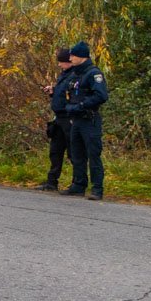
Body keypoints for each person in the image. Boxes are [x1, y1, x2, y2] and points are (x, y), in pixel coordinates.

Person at [61, 41, 109, 200]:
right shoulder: (75, 74)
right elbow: (70, 93)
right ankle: (78, 185)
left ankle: (97, 189)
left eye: (73, 55)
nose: (70, 57)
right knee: (76, 154)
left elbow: (101, 96)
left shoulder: (93, 73)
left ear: (81, 56)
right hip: (76, 120)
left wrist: (81, 106)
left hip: (89, 120)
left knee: (93, 154)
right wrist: (69, 107)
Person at [35, 48, 75, 191]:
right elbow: (62, 94)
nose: (59, 65)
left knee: (73, 152)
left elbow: (73, 97)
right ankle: (52, 182)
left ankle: (77, 183)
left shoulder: (75, 76)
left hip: (69, 119)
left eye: (61, 62)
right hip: (58, 118)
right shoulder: (63, 76)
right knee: (55, 151)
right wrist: (53, 92)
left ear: (69, 61)